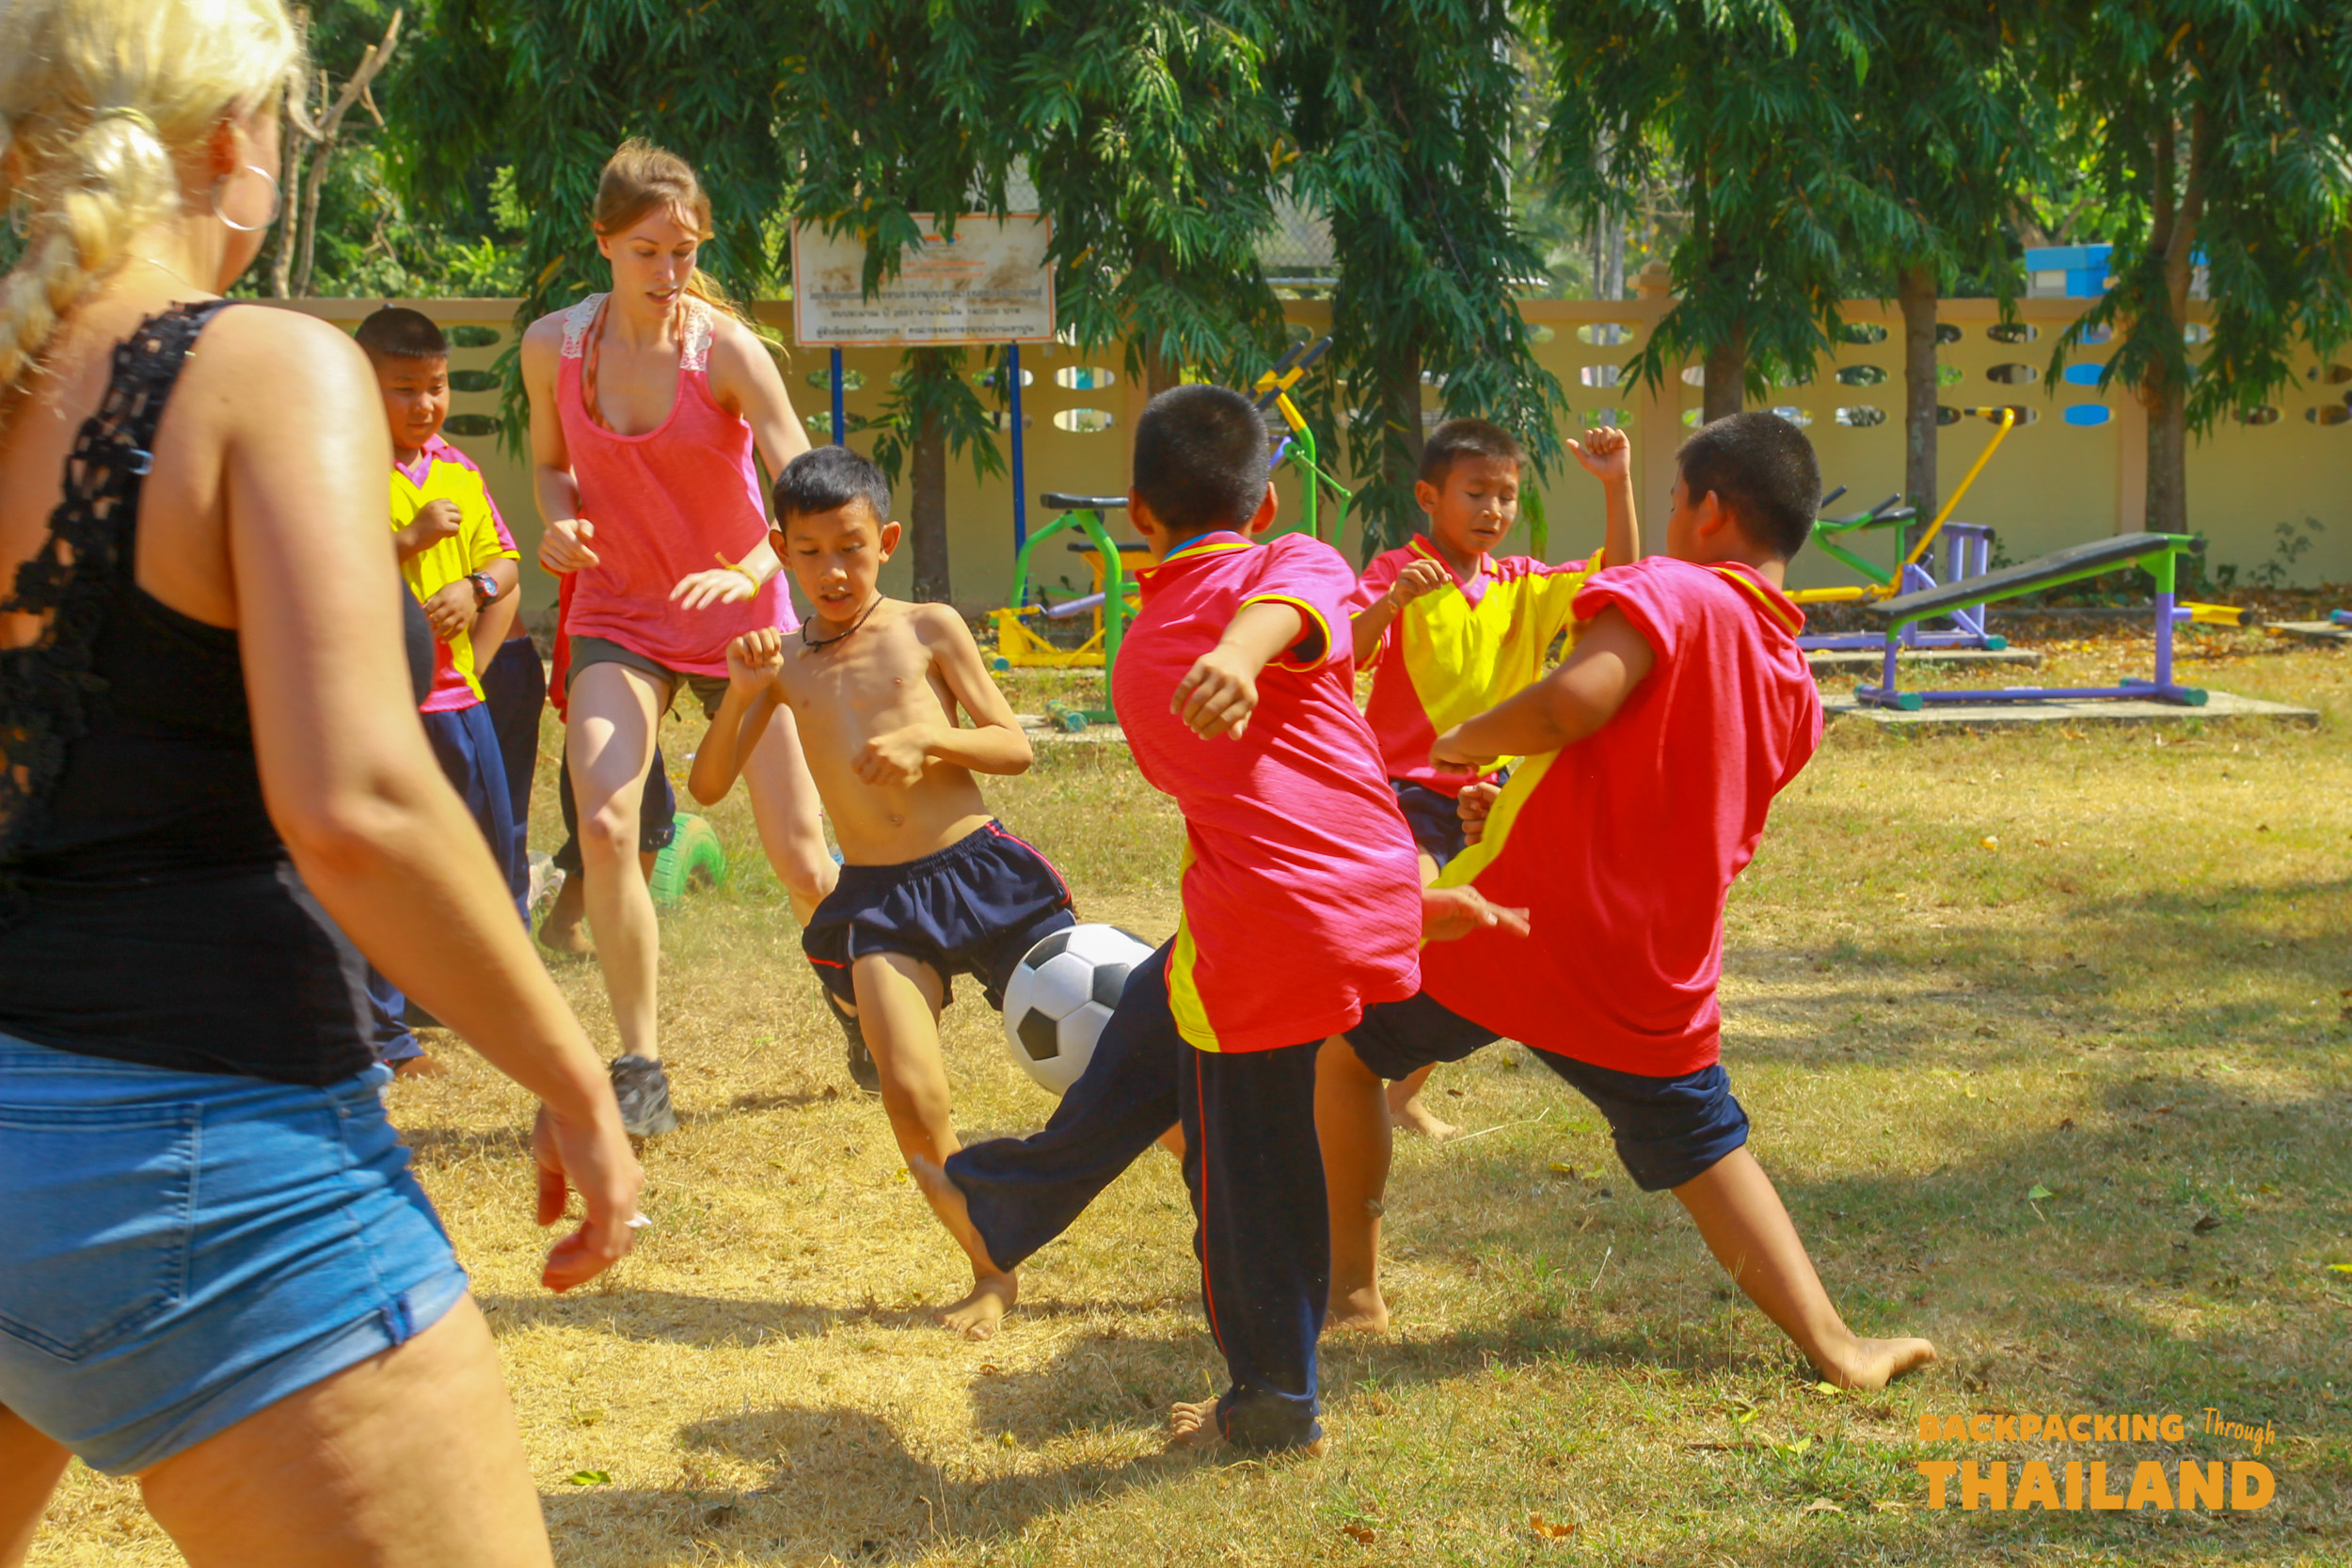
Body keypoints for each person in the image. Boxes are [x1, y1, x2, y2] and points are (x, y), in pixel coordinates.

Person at [0, 4, 641, 1563]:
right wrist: (574, 1075)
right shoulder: (265, 368)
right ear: (233, 141)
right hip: (213, 1170)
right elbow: (356, 803)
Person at [911, 385, 1525, 1451]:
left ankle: (1274, 1399)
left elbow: (1265, 628)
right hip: (1362, 889)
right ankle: (1001, 1200)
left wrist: (1237, 656)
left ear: (1140, 515)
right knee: (1154, 1018)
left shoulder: (1145, 657)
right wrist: (1254, 652)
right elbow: (1298, 608)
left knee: (1244, 1167)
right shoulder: (1307, 557)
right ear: (1266, 501)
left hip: (1269, 932)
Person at [1318, 412, 1939, 1389]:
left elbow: (1573, 702)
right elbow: (1659, 790)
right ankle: (1836, 1344)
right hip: (1649, 965)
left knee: (1346, 1054)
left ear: (1708, 510)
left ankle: (1353, 1294)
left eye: (1674, 500)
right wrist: (1510, 804)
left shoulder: (1669, 589)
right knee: (1703, 1142)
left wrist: (1464, 740)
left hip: (1517, 927)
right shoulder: (1792, 680)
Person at [691, 445, 1070, 1339]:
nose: (832, 570)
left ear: (886, 541)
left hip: (979, 871)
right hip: (878, 901)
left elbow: (1013, 745)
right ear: (780, 551)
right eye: (810, 551)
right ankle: (990, 1268)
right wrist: (741, 695)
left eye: (851, 548)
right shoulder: (783, 663)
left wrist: (928, 742)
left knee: (1104, 1052)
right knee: (908, 1091)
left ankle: (1217, 1205)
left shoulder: (928, 626)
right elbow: (707, 786)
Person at [521, 138, 836, 1136]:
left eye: (685, 251)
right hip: (618, 614)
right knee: (608, 827)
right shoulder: (552, 347)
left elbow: (806, 495)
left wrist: (750, 571)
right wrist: (559, 521)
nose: (669, 273)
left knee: (801, 861)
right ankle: (639, 1064)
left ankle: (857, 1002)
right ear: (603, 242)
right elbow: (550, 464)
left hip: (743, 621)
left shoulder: (727, 353)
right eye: (648, 252)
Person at [1345, 418, 1636, 1138]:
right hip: (1404, 796)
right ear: (1428, 496)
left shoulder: (1524, 583)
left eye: (1506, 496)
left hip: (1495, 802)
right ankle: (1331, 1065)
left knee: (1484, 950)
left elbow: (1622, 583)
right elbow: (1344, 652)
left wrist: (1618, 484)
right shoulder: (1398, 572)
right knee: (1411, 918)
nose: (1494, 510)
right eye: (1476, 492)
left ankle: (1401, 1094)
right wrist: (1390, 603)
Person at [357, 305, 527, 1072]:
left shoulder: (458, 467)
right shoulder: (345, 463)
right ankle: (386, 1035)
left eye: (437, 386)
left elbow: (505, 561)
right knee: (393, 862)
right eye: (405, 388)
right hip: (384, 702)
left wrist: (475, 587)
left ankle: (496, 1003)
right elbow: (330, 563)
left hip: (461, 701)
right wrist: (410, 538)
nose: (425, 403)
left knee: (491, 850)